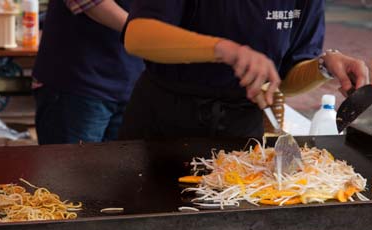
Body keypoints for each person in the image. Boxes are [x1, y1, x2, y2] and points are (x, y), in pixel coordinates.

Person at [119, 0, 370, 139]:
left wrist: (324, 67)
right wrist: (223, 49)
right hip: (164, 121)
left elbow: (283, 81)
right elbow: (138, 36)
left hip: (241, 129)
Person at [33, 0, 143, 144]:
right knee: (72, 166)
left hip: (133, 85)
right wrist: (143, 32)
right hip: (78, 85)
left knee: (123, 165)